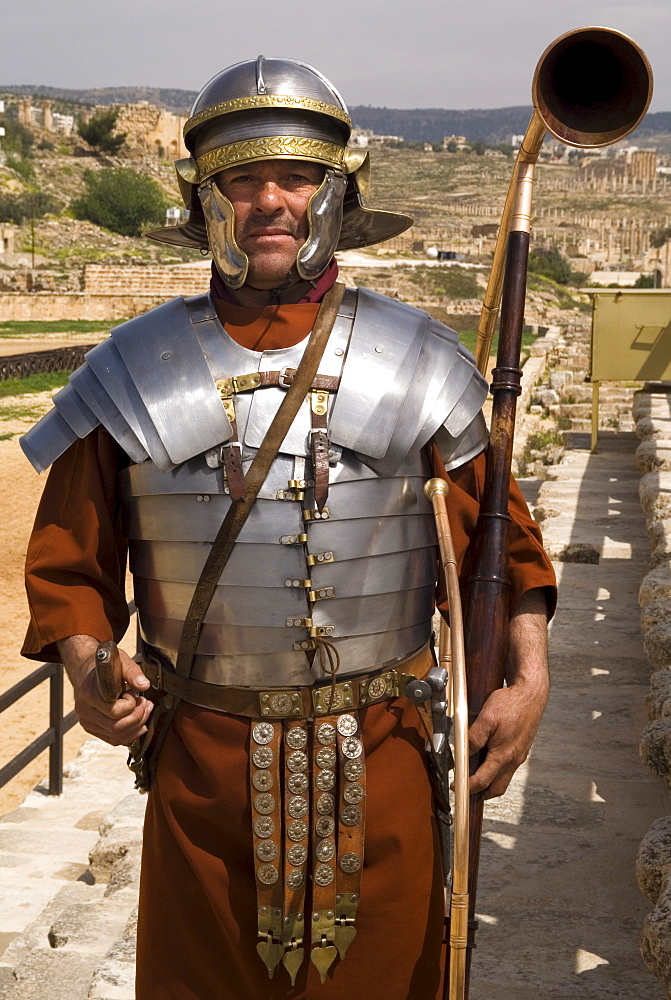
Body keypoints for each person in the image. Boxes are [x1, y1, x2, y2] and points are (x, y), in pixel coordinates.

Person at [22, 57, 555, 1000]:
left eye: (297, 177)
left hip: (384, 757)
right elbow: (70, 563)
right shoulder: (134, 366)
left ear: (335, 193)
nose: (271, 200)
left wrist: (528, 674)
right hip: (202, 775)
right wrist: (83, 661)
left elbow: (498, 551)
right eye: (242, 179)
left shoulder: (419, 360)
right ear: (207, 200)